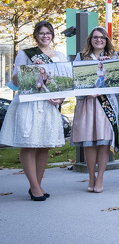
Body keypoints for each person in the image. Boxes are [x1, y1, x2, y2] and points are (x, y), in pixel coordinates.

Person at [0, 21, 65, 201]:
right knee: (29, 144)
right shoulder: (25, 54)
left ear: (52, 35)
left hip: (49, 105)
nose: (45, 36)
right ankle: (35, 187)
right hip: (30, 104)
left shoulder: (60, 55)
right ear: (35, 36)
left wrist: (60, 99)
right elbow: (15, 80)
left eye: (48, 33)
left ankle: (37, 184)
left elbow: (64, 82)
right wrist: (29, 69)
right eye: (41, 33)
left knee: (44, 144)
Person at [72, 26, 119, 193]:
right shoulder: (81, 57)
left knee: (104, 142)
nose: (99, 40)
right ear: (90, 40)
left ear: (106, 40)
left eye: (102, 37)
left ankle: (100, 179)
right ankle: (91, 177)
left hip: (106, 104)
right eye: (95, 37)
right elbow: (76, 80)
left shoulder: (114, 57)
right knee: (89, 141)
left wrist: (110, 69)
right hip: (88, 103)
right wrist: (87, 92)